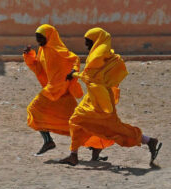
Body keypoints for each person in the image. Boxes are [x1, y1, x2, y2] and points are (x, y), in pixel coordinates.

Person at [61, 27, 162, 166]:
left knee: (113, 128)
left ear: (96, 41)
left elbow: (89, 78)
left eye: (88, 42)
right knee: (77, 120)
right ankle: (74, 155)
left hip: (101, 99)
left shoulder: (97, 56)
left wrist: (73, 74)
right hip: (94, 96)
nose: (86, 45)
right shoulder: (104, 53)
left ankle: (148, 141)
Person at [23, 24, 84, 156]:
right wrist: (29, 56)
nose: (38, 41)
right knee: (75, 121)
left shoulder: (57, 49)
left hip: (59, 88)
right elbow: (39, 68)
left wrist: (74, 71)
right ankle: (95, 145)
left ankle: (48, 141)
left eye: (40, 37)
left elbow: (75, 59)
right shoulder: (42, 50)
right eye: (37, 38)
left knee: (33, 109)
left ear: (49, 36)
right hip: (55, 91)